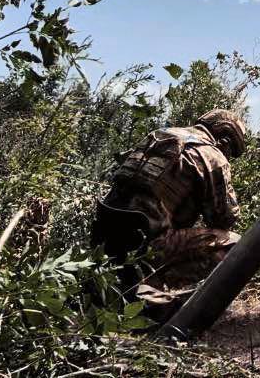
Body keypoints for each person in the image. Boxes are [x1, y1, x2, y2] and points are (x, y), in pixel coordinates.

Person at [90, 108, 246, 317]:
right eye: (231, 150)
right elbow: (225, 217)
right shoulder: (211, 154)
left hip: (104, 239)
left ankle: (132, 288)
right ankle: (155, 301)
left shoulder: (157, 136)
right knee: (235, 245)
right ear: (225, 139)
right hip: (148, 246)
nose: (229, 155)